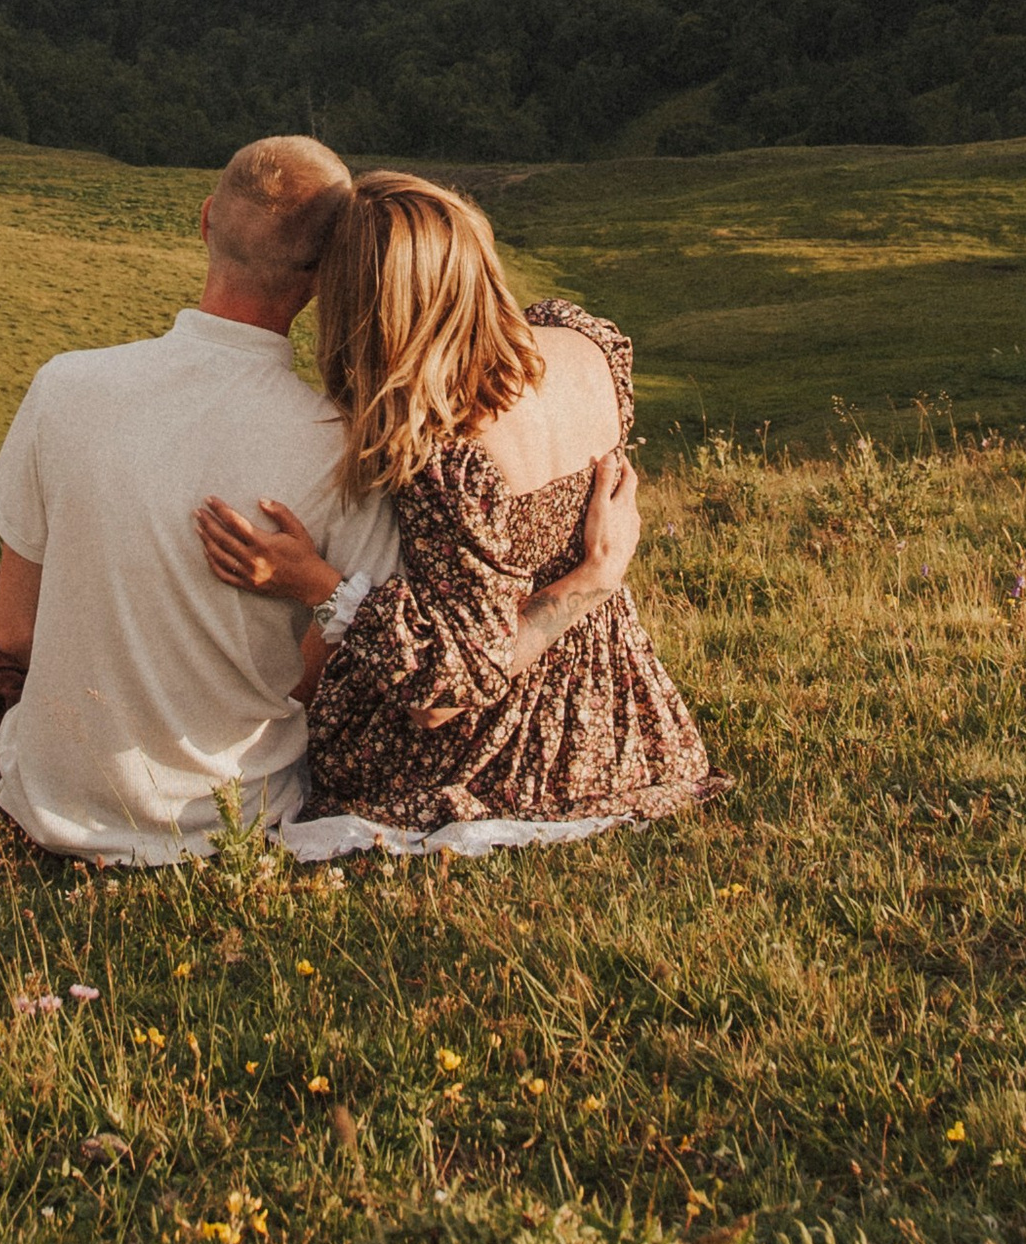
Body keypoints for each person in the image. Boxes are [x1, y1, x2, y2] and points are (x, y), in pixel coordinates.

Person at [0, 135, 400, 860]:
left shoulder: (67, 386)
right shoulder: (348, 448)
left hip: (59, 801)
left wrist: (105, 649)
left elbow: (16, 634)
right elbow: (329, 666)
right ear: (319, 277)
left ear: (206, 220)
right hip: (240, 815)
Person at [197, 169, 714, 828]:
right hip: (628, 730)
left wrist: (318, 585)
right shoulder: (584, 345)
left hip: (503, 756)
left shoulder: (447, 451)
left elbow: (442, 694)